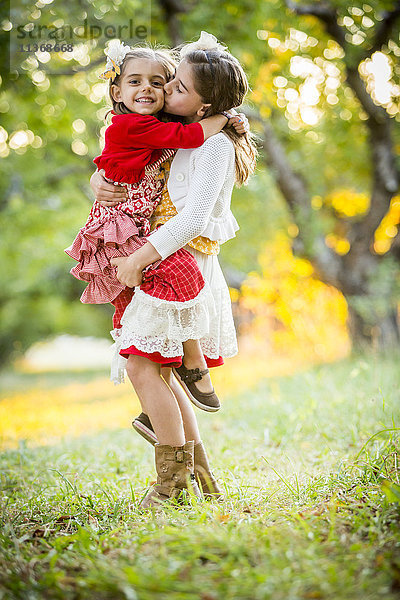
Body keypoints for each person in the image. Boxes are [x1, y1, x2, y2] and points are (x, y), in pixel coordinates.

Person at [91, 32, 257, 508]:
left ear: (204, 108)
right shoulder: (170, 132)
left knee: (142, 366)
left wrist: (138, 259)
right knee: (153, 369)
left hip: (182, 265)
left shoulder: (213, 146)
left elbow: (195, 217)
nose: (165, 93)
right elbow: (122, 163)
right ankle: (198, 472)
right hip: (159, 261)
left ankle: (170, 485)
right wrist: (97, 180)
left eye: (177, 86)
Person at [66, 42, 235, 415]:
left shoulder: (194, 138)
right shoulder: (151, 127)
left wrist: (224, 119)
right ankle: (166, 413)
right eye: (139, 82)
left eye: (169, 84)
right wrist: (225, 118)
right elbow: (152, 149)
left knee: (153, 358)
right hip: (129, 236)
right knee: (145, 355)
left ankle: (164, 417)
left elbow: (190, 209)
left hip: (158, 242)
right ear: (117, 91)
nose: (157, 89)